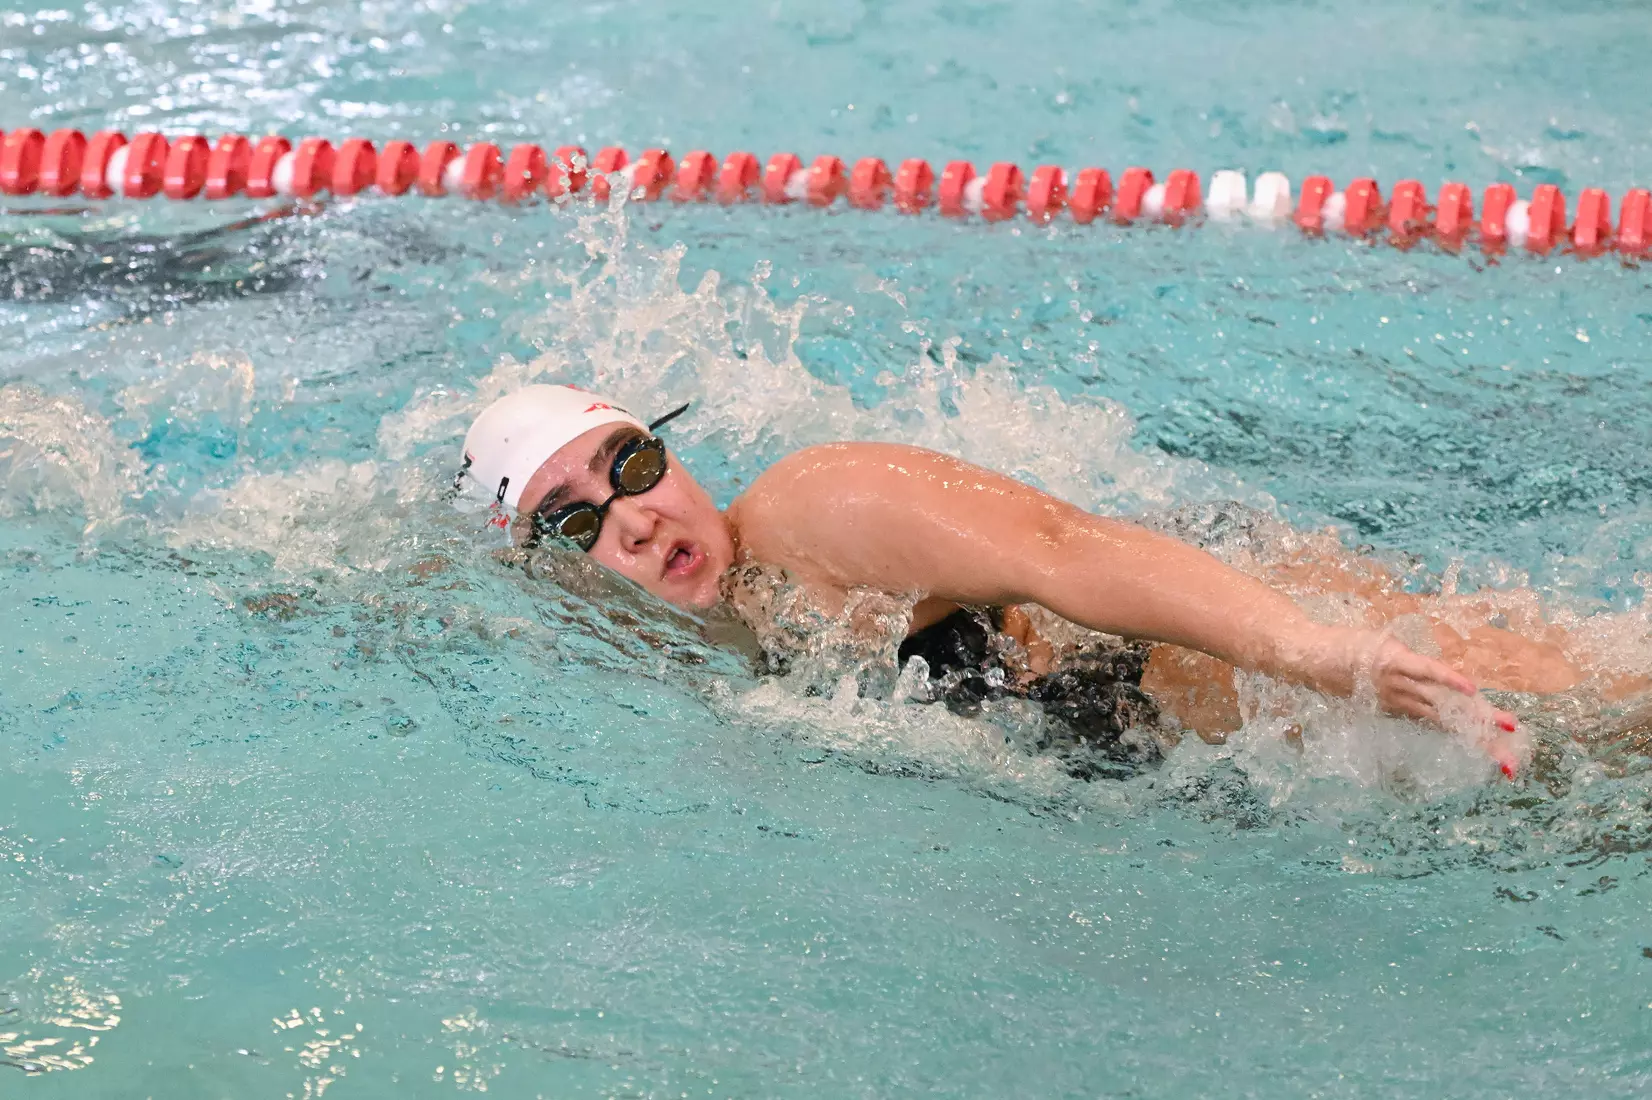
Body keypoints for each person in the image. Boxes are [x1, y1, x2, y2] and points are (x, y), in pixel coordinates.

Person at [456, 384, 1633, 780]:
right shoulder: (659, 645)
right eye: (575, 521)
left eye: (633, 462)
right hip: (1170, 742)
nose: (636, 515)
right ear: (553, 573)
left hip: (1219, 632)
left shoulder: (819, 507)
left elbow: (1064, 548)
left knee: (1602, 710)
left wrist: (1309, 648)